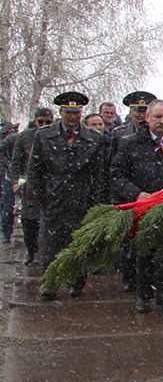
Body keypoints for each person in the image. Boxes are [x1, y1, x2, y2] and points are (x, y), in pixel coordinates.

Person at [110, 99, 163, 319]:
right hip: (143, 208)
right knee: (142, 255)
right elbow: (117, 175)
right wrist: (137, 194)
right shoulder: (130, 143)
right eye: (157, 117)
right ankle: (143, 296)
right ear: (146, 118)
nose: (162, 121)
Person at [28, 92, 108, 300]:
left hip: (82, 196)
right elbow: (35, 169)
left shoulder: (93, 137)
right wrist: (35, 198)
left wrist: (97, 202)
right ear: (61, 112)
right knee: (49, 244)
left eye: (77, 112)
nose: (73, 117)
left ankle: (76, 282)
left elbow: (99, 173)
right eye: (68, 112)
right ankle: (49, 284)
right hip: (53, 194)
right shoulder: (44, 135)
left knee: (78, 243)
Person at [112, 91, 157, 293]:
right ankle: (129, 277)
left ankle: (149, 284)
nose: (140, 114)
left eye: (144, 111)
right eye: (137, 110)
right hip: (129, 195)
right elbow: (112, 169)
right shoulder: (119, 135)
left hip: (151, 196)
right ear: (130, 112)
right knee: (129, 243)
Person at [7, 108, 53, 264]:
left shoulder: (55, 136)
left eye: (48, 122)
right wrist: (15, 182)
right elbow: (16, 163)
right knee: (29, 223)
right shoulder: (24, 137)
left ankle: (47, 253)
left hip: (51, 186)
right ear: (35, 122)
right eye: (41, 121)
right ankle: (31, 250)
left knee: (48, 224)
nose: (44, 124)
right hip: (31, 185)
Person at [0, 121, 20, 242]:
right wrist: (8, 164)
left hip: (26, 176)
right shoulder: (12, 139)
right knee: (8, 205)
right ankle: (6, 232)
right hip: (10, 177)